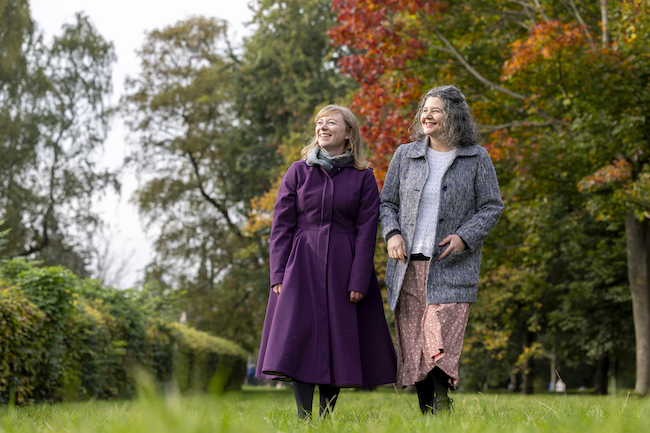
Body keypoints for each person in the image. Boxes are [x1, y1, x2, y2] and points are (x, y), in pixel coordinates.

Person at [256, 105, 397, 420]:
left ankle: (326, 415)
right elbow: (281, 227)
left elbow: (366, 233)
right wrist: (277, 274)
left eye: (331, 122)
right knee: (301, 335)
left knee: (339, 336)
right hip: (300, 265)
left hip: (343, 266)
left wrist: (359, 280)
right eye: (319, 122)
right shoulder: (298, 171)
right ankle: (303, 417)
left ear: (348, 132)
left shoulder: (363, 177)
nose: (322, 126)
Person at [379, 85, 504, 414]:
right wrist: (392, 234)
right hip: (408, 265)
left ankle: (441, 401)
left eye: (436, 110)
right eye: (425, 109)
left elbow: (492, 206)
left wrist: (465, 236)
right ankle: (431, 414)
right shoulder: (405, 155)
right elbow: (387, 202)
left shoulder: (476, 157)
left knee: (436, 337)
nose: (427, 115)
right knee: (415, 342)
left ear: (455, 116)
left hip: (452, 267)